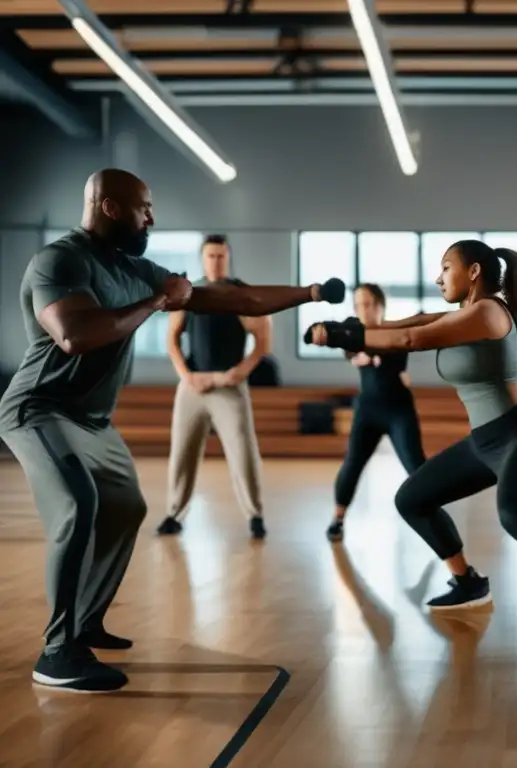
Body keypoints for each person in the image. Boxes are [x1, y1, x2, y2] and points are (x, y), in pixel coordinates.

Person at [0, 168, 346, 693]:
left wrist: (310, 291)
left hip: (92, 419)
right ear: (112, 207)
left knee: (127, 508)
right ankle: (57, 652)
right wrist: (157, 302)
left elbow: (233, 300)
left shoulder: (133, 268)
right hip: (40, 409)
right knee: (79, 505)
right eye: (145, 208)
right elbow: (75, 335)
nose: (152, 218)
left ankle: (86, 621)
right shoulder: (61, 259)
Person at [305, 239, 517, 657]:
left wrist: (344, 335)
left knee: (515, 514)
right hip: (484, 441)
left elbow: (410, 340)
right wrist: (354, 331)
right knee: (412, 499)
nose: (438, 277)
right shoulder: (465, 315)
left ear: (473, 272)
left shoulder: (490, 312)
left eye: (445, 268)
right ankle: (468, 581)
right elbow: (416, 321)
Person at [156, 234, 271, 540]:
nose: (216, 261)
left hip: (228, 387)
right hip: (193, 385)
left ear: (228, 257)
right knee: (181, 453)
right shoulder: (189, 293)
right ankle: (173, 514)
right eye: (210, 256)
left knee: (243, 453)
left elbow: (262, 340)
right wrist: (185, 375)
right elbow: (172, 339)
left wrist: (240, 372)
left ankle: (255, 515)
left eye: (221, 256)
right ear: (202, 259)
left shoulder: (239, 295)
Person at [327, 283, 427, 542]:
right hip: (367, 411)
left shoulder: (395, 331)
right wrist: (360, 354)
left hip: (399, 410)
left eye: (369, 304)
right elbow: (346, 345)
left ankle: (431, 515)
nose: (363, 309)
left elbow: (395, 354)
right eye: (358, 304)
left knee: (417, 466)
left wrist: (368, 355)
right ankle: (338, 518)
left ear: (381, 306)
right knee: (352, 464)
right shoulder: (353, 330)